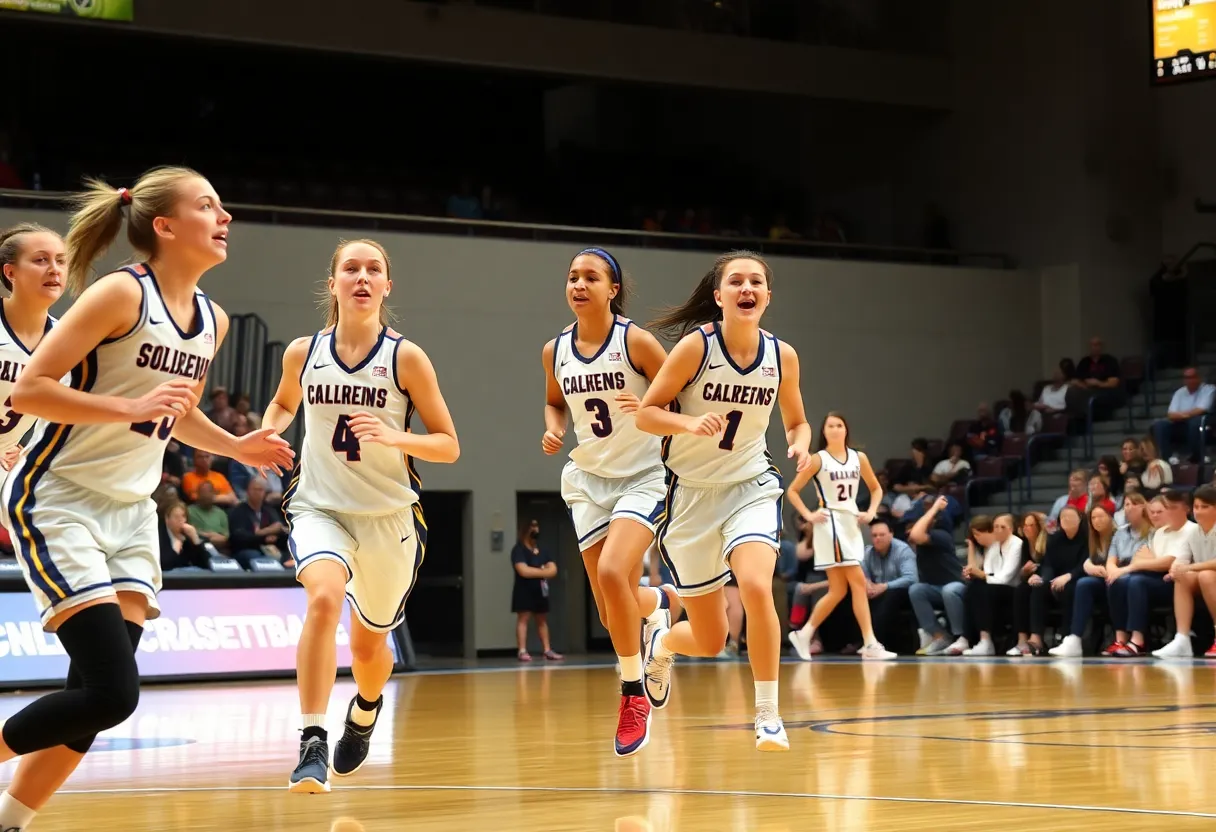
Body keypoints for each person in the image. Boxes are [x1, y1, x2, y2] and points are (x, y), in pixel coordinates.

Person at [0, 167, 294, 832]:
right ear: (163, 226)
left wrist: (237, 446)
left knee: (94, 699)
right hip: (61, 499)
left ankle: (9, 821)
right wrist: (126, 405)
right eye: (208, 205)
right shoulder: (117, 294)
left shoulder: (212, 320)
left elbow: (175, 414)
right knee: (112, 692)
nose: (225, 217)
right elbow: (29, 390)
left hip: (131, 514)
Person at [263, 238, 458, 794]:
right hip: (320, 505)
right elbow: (283, 401)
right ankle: (311, 740)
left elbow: (448, 445)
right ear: (334, 284)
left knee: (371, 650)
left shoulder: (406, 357)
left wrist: (394, 435)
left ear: (387, 286)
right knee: (323, 599)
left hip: (389, 517)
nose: (363, 277)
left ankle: (366, 707)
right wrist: (270, 428)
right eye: (351, 268)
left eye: (375, 269)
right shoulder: (304, 352)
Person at [636, 250, 812, 752]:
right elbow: (648, 415)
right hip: (691, 497)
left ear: (767, 297)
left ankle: (768, 714)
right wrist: (688, 422)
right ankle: (665, 641)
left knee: (757, 586)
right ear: (719, 297)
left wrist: (799, 441)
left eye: (755, 281)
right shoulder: (696, 347)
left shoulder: (783, 356)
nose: (745, 288)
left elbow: (797, 420)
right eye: (735, 281)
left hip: (750, 485)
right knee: (710, 641)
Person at [540, 247, 679, 757]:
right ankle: (657, 610)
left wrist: (645, 405)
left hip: (643, 475)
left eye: (590, 277)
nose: (579, 284)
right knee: (610, 608)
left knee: (612, 573)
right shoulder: (555, 350)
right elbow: (555, 402)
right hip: (590, 480)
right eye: (572, 277)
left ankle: (631, 692)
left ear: (612, 289)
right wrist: (554, 430)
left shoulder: (636, 342)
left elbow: (682, 397)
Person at [785, 412, 896, 661]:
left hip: (851, 522)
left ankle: (805, 633)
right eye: (830, 426)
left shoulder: (860, 458)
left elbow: (876, 489)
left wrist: (871, 511)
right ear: (823, 432)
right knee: (857, 582)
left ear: (846, 430)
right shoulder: (817, 459)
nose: (835, 429)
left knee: (837, 590)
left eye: (839, 425)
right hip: (830, 522)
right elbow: (792, 491)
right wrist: (809, 515)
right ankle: (870, 643)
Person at [0, 223, 65, 471]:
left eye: (60, 261)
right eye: (40, 260)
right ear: (10, 273)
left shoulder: (66, 339)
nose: (54, 269)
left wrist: (26, 449)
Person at [1154, 485, 1216, 658]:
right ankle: (1182, 639)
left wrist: (1190, 567)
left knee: (1205, 575)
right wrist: (1175, 570)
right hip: (1206, 579)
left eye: (1205, 507)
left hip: (1210, 577)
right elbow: (1181, 560)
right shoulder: (1193, 532)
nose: (1199, 511)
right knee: (1183, 576)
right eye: (1196, 507)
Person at [957, 514, 1023, 656]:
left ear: (1011, 529)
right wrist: (976, 573)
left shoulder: (1017, 544)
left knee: (982, 588)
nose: (998, 530)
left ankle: (985, 641)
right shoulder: (995, 546)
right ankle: (976, 639)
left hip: (1013, 589)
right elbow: (988, 571)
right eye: (996, 527)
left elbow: (1005, 577)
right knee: (973, 587)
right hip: (995, 587)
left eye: (1002, 527)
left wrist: (980, 574)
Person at [511, 519, 561, 662]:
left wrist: (538, 572)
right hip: (523, 590)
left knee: (542, 620)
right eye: (532, 526)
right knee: (523, 619)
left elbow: (553, 570)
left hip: (540, 590)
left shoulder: (543, 551)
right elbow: (523, 571)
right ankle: (522, 651)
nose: (535, 529)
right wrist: (542, 570)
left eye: (537, 526)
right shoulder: (518, 550)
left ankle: (547, 650)